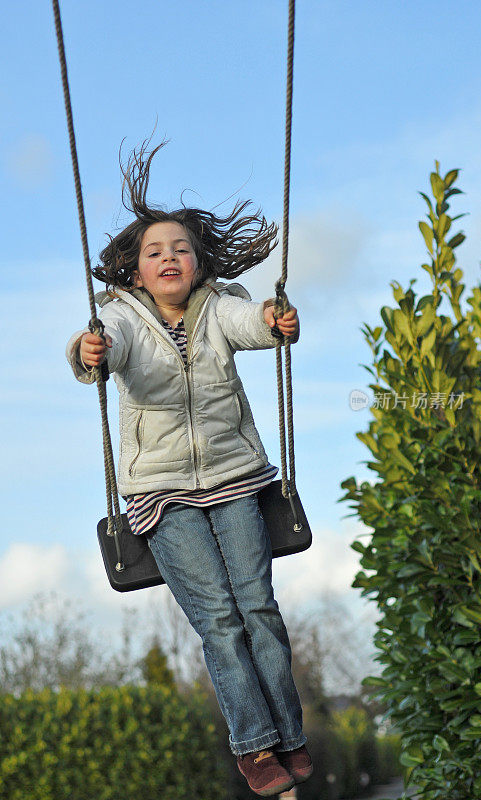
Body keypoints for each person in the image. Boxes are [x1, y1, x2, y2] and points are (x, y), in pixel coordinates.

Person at [66, 141, 312, 797]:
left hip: (235, 482)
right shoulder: (118, 319)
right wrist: (89, 350)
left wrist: (271, 318)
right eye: (154, 251)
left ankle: (289, 735)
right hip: (163, 498)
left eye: (180, 248)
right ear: (136, 272)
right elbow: (101, 352)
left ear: (198, 261)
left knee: (259, 610)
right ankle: (256, 750)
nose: (168, 257)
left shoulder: (218, 307)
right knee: (221, 624)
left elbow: (249, 321)